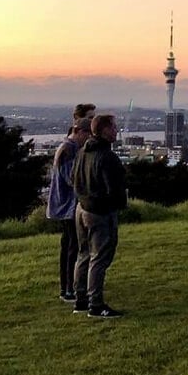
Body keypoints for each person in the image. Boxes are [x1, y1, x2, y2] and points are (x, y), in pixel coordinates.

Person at [71, 113, 127, 319]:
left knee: (84, 254)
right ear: (103, 130)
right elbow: (115, 188)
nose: (116, 131)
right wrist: (117, 204)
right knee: (100, 257)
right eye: (113, 127)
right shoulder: (106, 157)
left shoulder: (83, 152)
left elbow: (73, 178)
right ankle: (96, 304)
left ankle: (81, 299)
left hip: (81, 207)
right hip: (100, 212)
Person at [46, 117, 91, 302]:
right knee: (73, 248)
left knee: (70, 247)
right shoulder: (69, 150)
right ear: (80, 132)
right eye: (87, 135)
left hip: (66, 205)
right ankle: (69, 289)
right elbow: (72, 179)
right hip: (68, 206)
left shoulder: (68, 148)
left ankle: (69, 287)